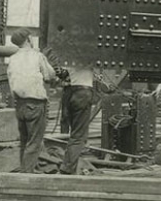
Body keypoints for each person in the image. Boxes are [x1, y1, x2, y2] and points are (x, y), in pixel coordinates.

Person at [6, 28, 56, 173]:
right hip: (35, 104)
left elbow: (11, 81)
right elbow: (49, 76)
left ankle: (25, 168)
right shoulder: (37, 56)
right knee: (34, 143)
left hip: (19, 105)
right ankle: (26, 175)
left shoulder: (13, 59)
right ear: (28, 39)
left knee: (24, 141)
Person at [58, 64, 95, 175]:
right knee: (79, 135)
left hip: (71, 91)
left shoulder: (70, 57)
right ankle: (68, 167)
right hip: (83, 92)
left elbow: (62, 74)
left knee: (71, 130)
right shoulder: (87, 56)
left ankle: (67, 161)